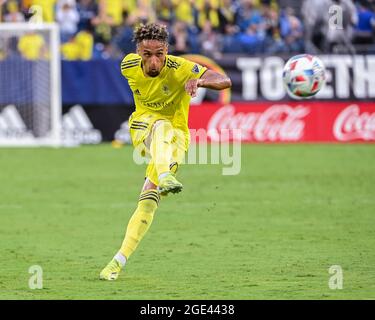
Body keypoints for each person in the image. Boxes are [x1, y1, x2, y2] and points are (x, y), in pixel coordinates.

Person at [99, 22, 231, 281]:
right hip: (143, 125)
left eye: (159, 53)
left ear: (167, 51)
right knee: (159, 125)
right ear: (137, 52)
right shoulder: (127, 66)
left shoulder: (179, 68)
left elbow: (223, 80)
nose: (154, 61)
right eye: (147, 54)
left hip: (177, 138)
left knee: (148, 201)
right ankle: (166, 176)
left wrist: (200, 80)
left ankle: (117, 262)